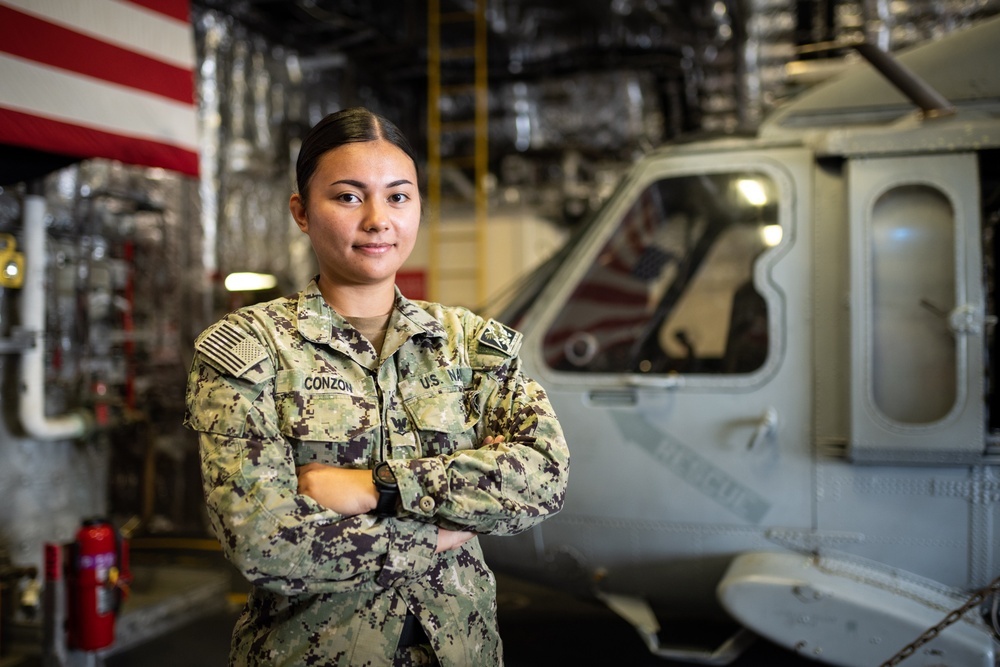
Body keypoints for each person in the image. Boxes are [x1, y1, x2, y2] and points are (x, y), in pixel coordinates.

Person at [184, 106, 570, 667]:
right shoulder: (250, 350)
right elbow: (263, 542)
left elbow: (545, 478)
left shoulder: (469, 344)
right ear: (301, 211)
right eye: (347, 196)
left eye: (398, 196)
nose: (377, 220)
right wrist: (438, 533)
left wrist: (379, 486)